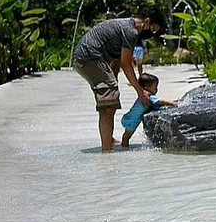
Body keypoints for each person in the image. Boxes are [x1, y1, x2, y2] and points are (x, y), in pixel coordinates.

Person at [72, 10, 164, 152]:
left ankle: (108, 138)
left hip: (88, 58)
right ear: (147, 21)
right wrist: (140, 93)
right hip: (90, 58)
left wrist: (113, 84)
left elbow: (116, 62)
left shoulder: (127, 27)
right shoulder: (131, 31)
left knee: (111, 100)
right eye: (153, 29)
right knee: (107, 106)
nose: (152, 34)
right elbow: (126, 64)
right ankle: (106, 151)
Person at [120, 73, 176, 149]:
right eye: (155, 87)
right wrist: (173, 103)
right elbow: (160, 102)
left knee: (126, 135)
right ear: (147, 88)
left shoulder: (143, 95)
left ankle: (123, 146)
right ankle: (124, 148)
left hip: (130, 116)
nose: (157, 89)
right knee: (127, 137)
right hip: (132, 120)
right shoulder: (149, 96)